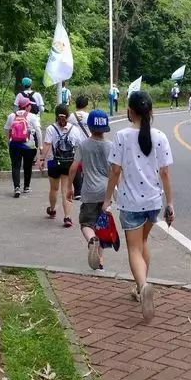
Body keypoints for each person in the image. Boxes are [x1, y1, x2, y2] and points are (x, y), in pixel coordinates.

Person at [103, 91, 174, 322]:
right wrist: (170, 203)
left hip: (131, 202)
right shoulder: (161, 136)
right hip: (153, 201)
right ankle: (139, 287)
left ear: (130, 111)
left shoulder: (121, 136)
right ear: (151, 111)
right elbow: (165, 172)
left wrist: (107, 199)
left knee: (134, 248)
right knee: (143, 242)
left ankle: (143, 286)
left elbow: (115, 171)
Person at [68, 110, 113, 270]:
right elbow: (115, 171)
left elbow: (74, 167)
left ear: (90, 126)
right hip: (106, 192)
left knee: (86, 223)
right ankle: (100, 262)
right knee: (102, 226)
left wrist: (69, 187)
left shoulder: (83, 145)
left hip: (89, 192)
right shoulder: (110, 146)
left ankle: (91, 240)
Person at [39, 105, 79, 227]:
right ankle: (67, 217)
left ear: (56, 115)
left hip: (53, 162)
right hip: (69, 163)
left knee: (54, 188)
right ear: (68, 115)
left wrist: (41, 159)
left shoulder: (51, 128)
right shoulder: (74, 129)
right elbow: (79, 147)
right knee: (65, 190)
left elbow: (47, 145)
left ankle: (52, 210)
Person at [4, 96, 43, 197]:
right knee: (28, 166)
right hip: (29, 145)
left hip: (14, 144)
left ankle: (16, 187)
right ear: (27, 106)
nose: (30, 106)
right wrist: (40, 145)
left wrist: (8, 141)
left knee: (15, 166)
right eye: (29, 105)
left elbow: (6, 130)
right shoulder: (32, 116)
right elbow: (38, 131)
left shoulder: (11, 116)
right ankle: (26, 187)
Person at [69, 96, 91, 200]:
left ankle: (78, 191)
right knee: (87, 165)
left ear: (76, 104)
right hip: (87, 143)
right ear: (86, 105)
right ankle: (87, 188)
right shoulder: (89, 116)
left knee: (76, 165)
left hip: (74, 144)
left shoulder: (71, 117)